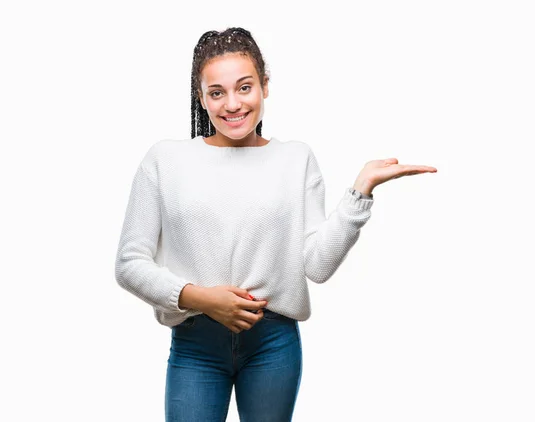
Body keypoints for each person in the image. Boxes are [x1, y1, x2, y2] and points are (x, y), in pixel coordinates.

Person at [114, 27, 437, 422]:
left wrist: (360, 191)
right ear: (201, 98)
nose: (232, 104)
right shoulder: (164, 160)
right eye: (217, 92)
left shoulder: (295, 159)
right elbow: (130, 263)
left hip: (273, 344)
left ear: (265, 86)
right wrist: (200, 298)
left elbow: (316, 266)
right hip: (196, 344)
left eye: (244, 87)